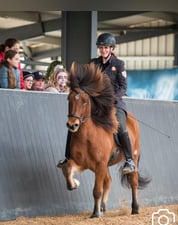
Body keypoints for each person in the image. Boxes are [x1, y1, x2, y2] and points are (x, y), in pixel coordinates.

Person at [57, 33, 136, 175]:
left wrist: (111, 98)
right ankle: (68, 156)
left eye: (106, 48)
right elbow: (87, 83)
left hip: (114, 103)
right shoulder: (93, 63)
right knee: (75, 123)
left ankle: (129, 160)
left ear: (111, 48)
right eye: (101, 48)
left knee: (122, 127)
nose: (103, 50)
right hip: (95, 103)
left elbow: (123, 87)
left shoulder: (118, 65)